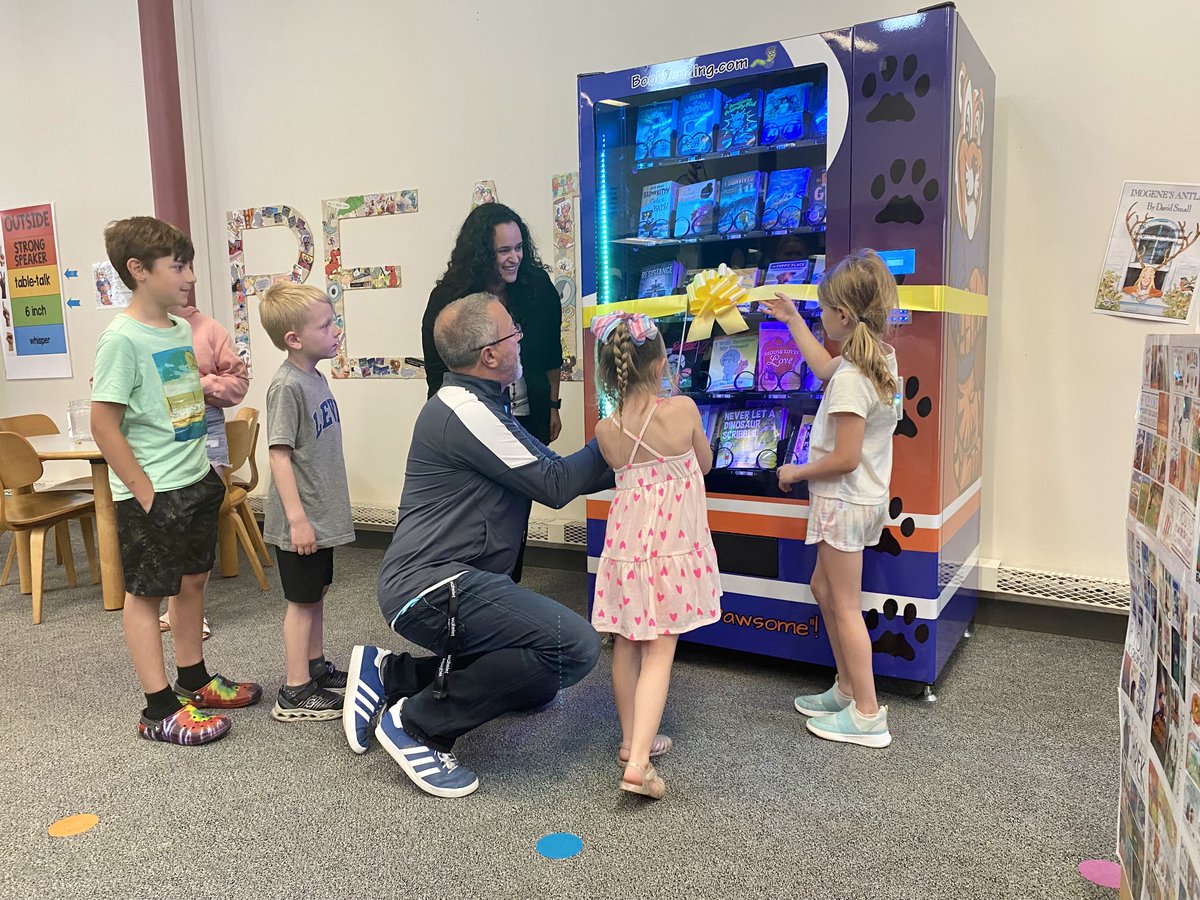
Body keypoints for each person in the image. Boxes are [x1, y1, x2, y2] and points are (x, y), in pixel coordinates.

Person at [344, 293, 610, 798]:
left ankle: (391, 673)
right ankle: (419, 725)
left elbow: (550, 476)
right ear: (489, 354)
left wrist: (632, 454)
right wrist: (616, 438)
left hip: (451, 580)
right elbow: (555, 484)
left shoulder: (482, 402)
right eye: (515, 335)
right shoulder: (464, 410)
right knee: (574, 647)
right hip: (429, 586)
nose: (521, 341)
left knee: (538, 681)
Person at [90, 216, 261, 746]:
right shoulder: (121, 339)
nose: (189, 277)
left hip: (194, 480)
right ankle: (159, 708)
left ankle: (194, 680)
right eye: (178, 266)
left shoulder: (182, 328)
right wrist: (144, 490)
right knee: (146, 596)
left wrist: (203, 475)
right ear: (138, 271)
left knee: (192, 582)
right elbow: (103, 424)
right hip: (154, 492)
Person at [761, 248, 899, 748]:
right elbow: (823, 367)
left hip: (842, 499)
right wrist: (794, 318)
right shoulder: (876, 358)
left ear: (844, 315)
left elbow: (843, 457)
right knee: (825, 588)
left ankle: (867, 713)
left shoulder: (853, 379)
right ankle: (845, 688)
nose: (820, 317)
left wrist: (796, 470)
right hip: (860, 499)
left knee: (843, 604)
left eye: (822, 310)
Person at [589, 312, 720, 799]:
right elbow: (703, 465)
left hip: (625, 551)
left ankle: (629, 741)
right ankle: (640, 763)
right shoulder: (683, 410)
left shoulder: (607, 431)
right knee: (661, 649)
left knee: (627, 642)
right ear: (663, 362)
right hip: (670, 551)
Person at [257, 282, 355, 722]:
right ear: (294, 339)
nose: (336, 330)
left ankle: (314, 668)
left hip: (322, 514)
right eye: (327, 324)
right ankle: (295, 690)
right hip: (302, 518)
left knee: (317, 590)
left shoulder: (314, 377)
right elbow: (278, 454)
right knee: (300, 601)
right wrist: (297, 520)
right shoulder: (287, 387)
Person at [422, 203, 564, 444]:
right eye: (504, 251)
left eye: (519, 248)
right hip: (474, 421)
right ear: (482, 254)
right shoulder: (447, 299)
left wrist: (553, 405)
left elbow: (552, 354)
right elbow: (437, 373)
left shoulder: (538, 288)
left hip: (531, 416)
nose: (515, 258)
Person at [158, 303, 249, 641]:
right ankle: (173, 608)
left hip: (205, 430)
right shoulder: (133, 329)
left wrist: (201, 383)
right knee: (170, 522)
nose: (186, 279)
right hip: (158, 434)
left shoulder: (208, 328)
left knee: (198, 522)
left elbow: (238, 383)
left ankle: (191, 612)